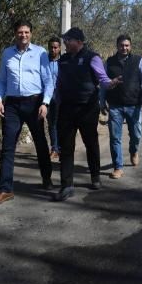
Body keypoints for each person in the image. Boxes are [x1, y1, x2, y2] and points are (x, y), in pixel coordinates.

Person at [52, 27, 122, 201]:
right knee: (66, 148)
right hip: (67, 109)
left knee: (91, 143)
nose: (65, 43)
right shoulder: (63, 60)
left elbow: (102, 79)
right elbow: (58, 84)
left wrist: (112, 83)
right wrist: (54, 103)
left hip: (87, 109)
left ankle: (95, 176)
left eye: (68, 40)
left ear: (79, 42)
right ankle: (67, 185)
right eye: (65, 40)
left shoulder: (92, 57)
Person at [0, 19, 54, 206]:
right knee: (8, 146)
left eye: (26, 32)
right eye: (20, 32)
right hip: (12, 105)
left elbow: (48, 81)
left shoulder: (40, 53)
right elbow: (1, 80)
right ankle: (5, 189)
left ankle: (46, 178)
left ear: (31, 34)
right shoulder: (7, 53)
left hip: (34, 104)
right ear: (15, 34)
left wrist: (45, 103)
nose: (23, 35)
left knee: (41, 143)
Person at [100, 35, 142, 179]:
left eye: (127, 45)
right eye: (122, 45)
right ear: (117, 46)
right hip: (115, 106)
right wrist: (101, 101)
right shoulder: (109, 62)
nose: (124, 48)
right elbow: (103, 83)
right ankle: (118, 167)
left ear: (130, 46)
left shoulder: (138, 61)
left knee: (136, 135)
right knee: (115, 137)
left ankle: (133, 151)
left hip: (133, 105)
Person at [47, 37, 61, 160]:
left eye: (55, 47)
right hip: (47, 97)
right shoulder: (43, 61)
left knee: (60, 123)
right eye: (51, 47)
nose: (53, 49)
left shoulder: (64, 62)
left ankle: (61, 148)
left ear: (59, 48)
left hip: (61, 97)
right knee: (51, 123)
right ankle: (54, 148)